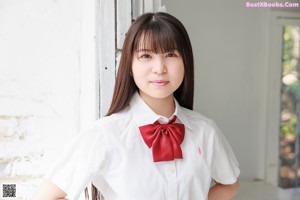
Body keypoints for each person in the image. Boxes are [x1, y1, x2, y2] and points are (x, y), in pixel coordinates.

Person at [32, 12, 240, 200]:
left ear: (185, 61)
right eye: (146, 56)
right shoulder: (105, 135)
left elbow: (229, 184)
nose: (159, 69)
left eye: (170, 55)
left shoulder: (205, 130)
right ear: (129, 66)